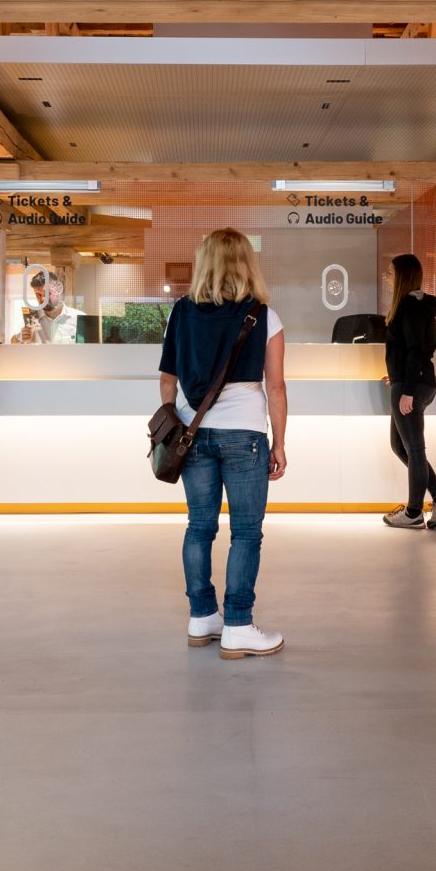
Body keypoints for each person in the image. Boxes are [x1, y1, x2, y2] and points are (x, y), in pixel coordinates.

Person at [158, 228, 287, 659]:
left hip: (193, 434)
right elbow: (276, 387)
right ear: (247, 263)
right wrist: (280, 443)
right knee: (246, 531)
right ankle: (238, 625)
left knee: (200, 526)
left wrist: (175, 420)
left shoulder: (181, 312)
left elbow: (168, 380)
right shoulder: (264, 316)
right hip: (245, 434)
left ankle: (202, 617)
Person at [381, 253, 436, 529]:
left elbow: (416, 351)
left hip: (412, 386)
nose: (386, 277)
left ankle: (413, 512)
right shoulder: (417, 305)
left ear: (402, 276)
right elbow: (413, 349)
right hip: (410, 382)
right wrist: (397, 375)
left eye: (390, 273)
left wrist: (408, 389)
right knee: (401, 446)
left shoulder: (409, 306)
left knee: (413, 449)